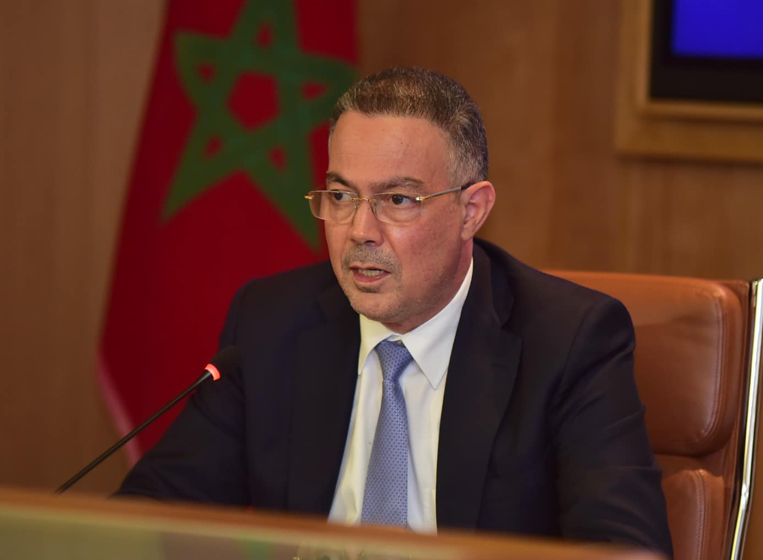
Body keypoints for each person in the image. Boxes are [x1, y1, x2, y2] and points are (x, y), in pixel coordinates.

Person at [117, 67, 673, 556]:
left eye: (398, 200)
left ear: (471, 211)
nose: (360, 231)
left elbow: (621, 550)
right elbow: (146, 518)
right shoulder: (272, 322)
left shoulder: (569, 341)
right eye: (341, 196)